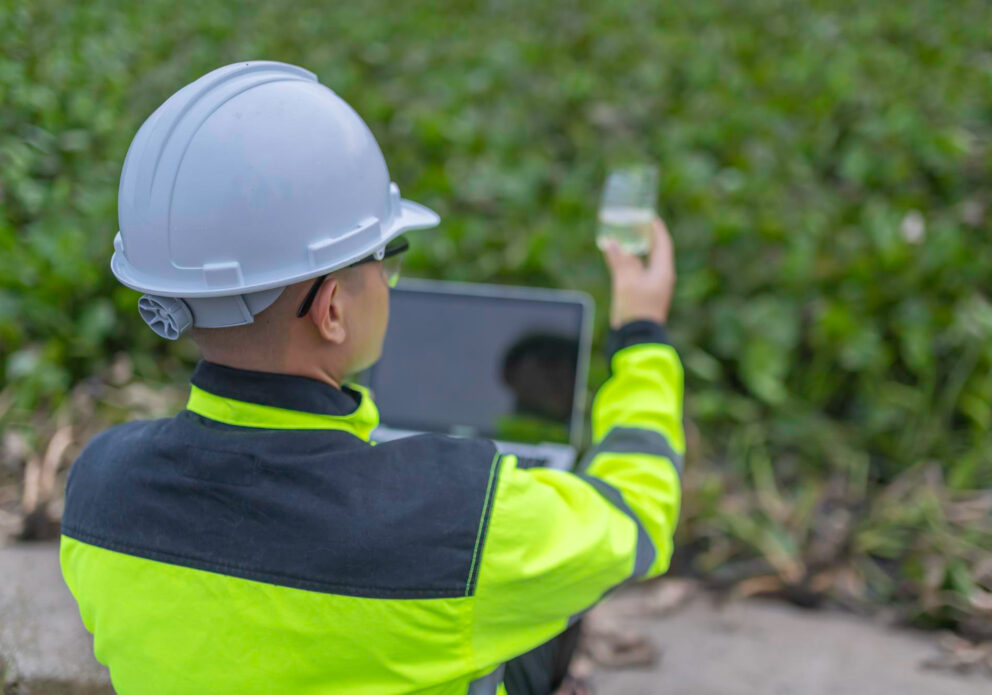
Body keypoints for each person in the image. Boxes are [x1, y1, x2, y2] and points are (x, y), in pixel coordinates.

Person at [60, 61, 684, 695]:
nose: (388, 279)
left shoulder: (99, 489)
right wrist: (641, 334)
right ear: (332, 309)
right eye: (386, 257)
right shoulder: (465, 521)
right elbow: (638, 517)